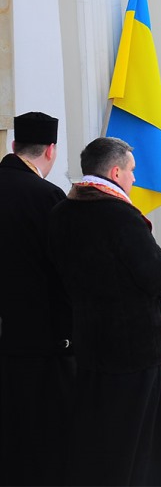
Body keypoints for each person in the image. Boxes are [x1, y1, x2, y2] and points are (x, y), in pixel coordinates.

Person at [48, 137, 161, 486]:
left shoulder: (62, 212)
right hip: (135, 351)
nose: (134, 179)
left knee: (99, 438)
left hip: (91, 344)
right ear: (114, 171)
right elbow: (159, 275)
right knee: (141, 445)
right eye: (131, 171)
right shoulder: (121, 217)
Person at [0, 112, 75, 486]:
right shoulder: (47, 196)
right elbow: (65, 269)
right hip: (41, 339)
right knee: (43, 435)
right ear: (50, 150)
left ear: (14, 147)